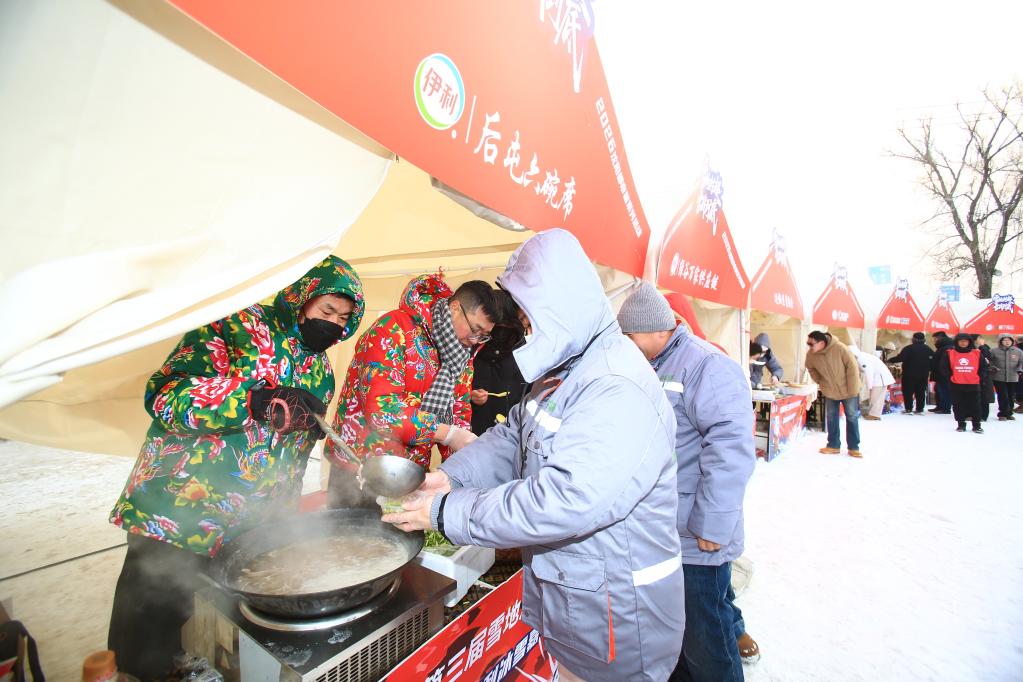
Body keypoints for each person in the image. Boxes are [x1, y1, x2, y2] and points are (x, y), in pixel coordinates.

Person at [384, 230, 685, 682]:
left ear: (558, 305)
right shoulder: (568, 370)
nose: (524, 327)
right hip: (576, 608)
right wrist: (452, 477)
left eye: (528, 315)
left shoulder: (615, 387)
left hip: (618, 623)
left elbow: (564, 500)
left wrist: (447, 510)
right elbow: (514, 438)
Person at [107, 256, 365, 680]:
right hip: (179, 506)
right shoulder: (237, 324)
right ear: (302, 299)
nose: (334, 324)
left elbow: (292, 454)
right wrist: (252, 401)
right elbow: (166, 395)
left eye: (343, 318)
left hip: (248, 522)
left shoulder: (320, 370)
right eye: (327, 310)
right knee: (148, 622)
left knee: (209, 620)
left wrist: (282, 519)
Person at [618, 283, 759, 679]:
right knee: (674, 639)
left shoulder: (707, 365)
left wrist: (712, 524)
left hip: (697, 536)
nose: (626, 347)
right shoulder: (653, 364)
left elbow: (731, 450)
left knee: (706, 643)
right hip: (663, 531)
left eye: (629, 337)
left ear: (651, 329)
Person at [327, 276, 503, 505]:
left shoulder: (461, 356)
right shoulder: (393, 329)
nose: (475, 340)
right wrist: (447, 434)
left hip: (409, 473)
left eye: (483, 336)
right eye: (475, 330)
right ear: (455, 308)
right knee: (348, 528)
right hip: (359, 466)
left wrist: (463, 470)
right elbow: (383, 412)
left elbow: (458, 416)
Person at [469, 307, 529, 435]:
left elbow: (529, 399)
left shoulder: (527, 355)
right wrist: (470, 395)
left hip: (509, 435)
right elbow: (457, 388)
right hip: (470, 431)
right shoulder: (472, 348)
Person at [805, 331, 863, 457]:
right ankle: (833, 445)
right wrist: (820, 381)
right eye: (807, 343)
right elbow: (810, 368)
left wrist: (853, 389)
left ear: (821, 343)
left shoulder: (840, 348)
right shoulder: (811, 355)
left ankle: (854, 447)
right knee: (831, 417)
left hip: (848, 390)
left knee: (852, 417)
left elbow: (852, 368)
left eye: (811, 344)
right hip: (830, 390)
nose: (809, 346)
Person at [939, 333, 988, 433]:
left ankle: (977, 425)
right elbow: (944, 367)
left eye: (965, 341)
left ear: (969, 342)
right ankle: (961, 424)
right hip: (956, 383)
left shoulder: (977, 353)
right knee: (958, 405)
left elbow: (983, 367)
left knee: (975, 406)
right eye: (961, 341)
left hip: (973, 384)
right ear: (956, 342)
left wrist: (979, 377)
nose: (963, 343)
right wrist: (951, 377)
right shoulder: (950, 353)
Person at [886, 332, 934, 414]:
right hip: (923, 375)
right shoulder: (928, 349)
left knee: (908, 392)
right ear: (924, 340)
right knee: (921, 392)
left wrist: (890, 360)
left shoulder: (908, 348)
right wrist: (929, 369)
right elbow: (933, 361)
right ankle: (920, 409)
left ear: (913, 339)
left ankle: (908, 409)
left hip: (909, 374)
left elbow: (900, 358)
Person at [851, 346, 896, 421]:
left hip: (880, 378)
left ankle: (874, 415)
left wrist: (869, 386)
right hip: (879, 377)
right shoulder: (862, 356)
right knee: (876, 397)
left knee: (876, 397)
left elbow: (869, 372)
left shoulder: (861, 359)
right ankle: (873, 414)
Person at [990, 335, 1022, 420]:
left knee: (1011, 396)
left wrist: (1019, 370)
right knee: (1003, 395)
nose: (1007, 342)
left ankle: (1009, 413)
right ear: (1000, 341)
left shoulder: (1018, 351)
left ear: (1012, 341)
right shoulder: (994, 351)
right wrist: (993, 367)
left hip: (1013, 377)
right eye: (1005, 340)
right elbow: (989, 361)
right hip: (998, 377)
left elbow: (1021, 362)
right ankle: (1002, 414)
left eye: (1009, 340)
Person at [971, 334, 995, 422]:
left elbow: (988, 360)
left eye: (981, 338)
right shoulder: (970, 349)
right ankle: (973, 414)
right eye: (979, 338)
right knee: (973, 396)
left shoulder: (985, 348)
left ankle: (983, 416)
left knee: (984, 396)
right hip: (973, 375)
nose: (982, 340)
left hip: (984, 376)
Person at [929, 331, 954, 414]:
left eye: (935, 338)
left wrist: (944, 372)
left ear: (940, 337)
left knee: (944, 391)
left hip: (943, 374)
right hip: (939, 374)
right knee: (938, 390)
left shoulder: (946, 348)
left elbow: (944, 363)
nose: (934, 341)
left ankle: (946, 408)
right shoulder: (942, 347)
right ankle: (939, 406)